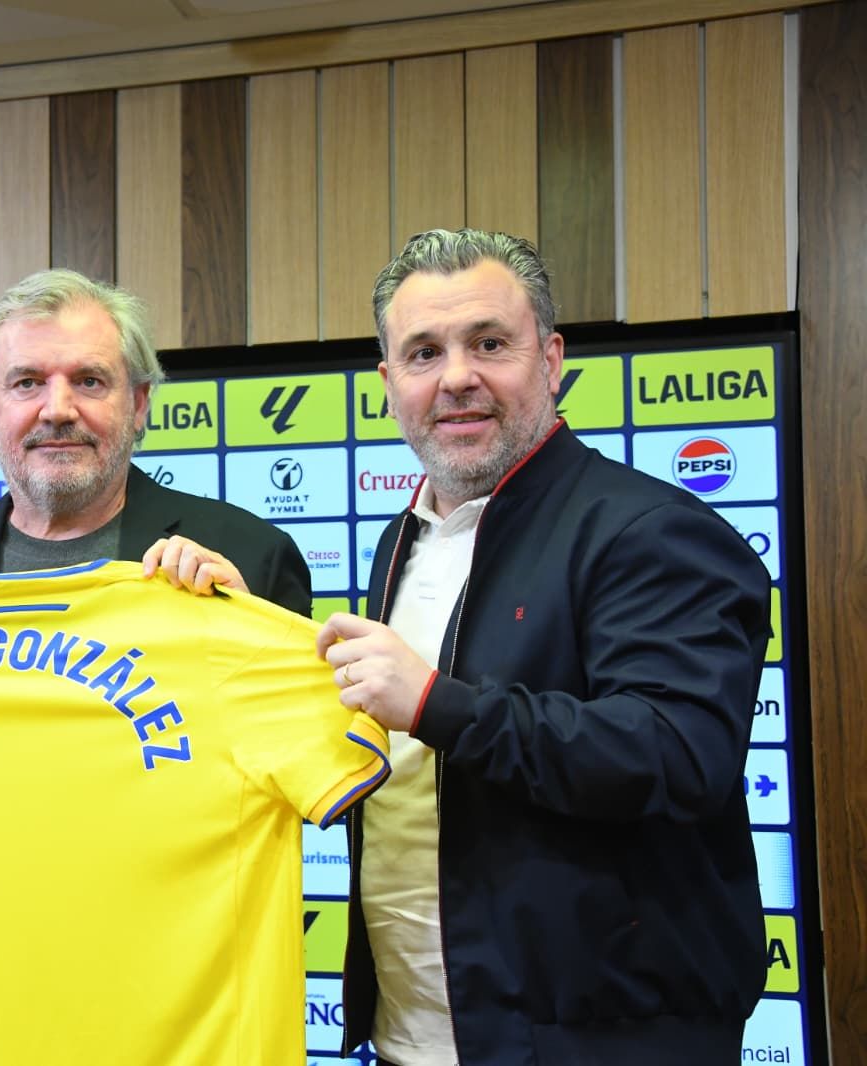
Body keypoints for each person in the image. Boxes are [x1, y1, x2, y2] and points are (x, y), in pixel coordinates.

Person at [316, 228, 770, 1065]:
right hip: (413, 1036)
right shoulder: (402, 540)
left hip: (602, 1044)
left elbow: (677, 753)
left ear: (552, 359)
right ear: (387, 384)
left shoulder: (654, 531)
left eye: (490, 343)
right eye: (423, 353)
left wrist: (433, 705)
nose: (456, 377)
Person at [0, 268, 311, 633]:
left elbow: (296, 750)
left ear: (137, 404)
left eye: (89, 381)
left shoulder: (251, 559)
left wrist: (249, 632)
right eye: (27, 383)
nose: (58, 410)